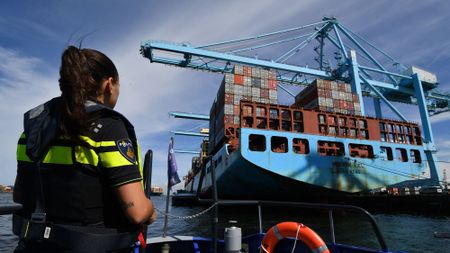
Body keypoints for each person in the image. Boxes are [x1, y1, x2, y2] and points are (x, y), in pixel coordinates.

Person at [13, 46, 157, 252]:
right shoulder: (108, 127)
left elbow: (20, 195)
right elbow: (136, 211)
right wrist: (150, 211)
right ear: (109, 84)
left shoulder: (32, 130)